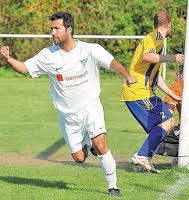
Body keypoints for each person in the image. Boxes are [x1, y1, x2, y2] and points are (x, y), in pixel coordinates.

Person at [0, 12, 137, 196]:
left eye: (57, 28)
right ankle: (87, 146)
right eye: (52, 29)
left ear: (69, 30)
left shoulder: (90, 49)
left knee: (101, 144)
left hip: (90, 106)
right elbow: (25, 68)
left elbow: (112, 62)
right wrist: (8, 59)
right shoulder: (48, 55)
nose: (52, 32)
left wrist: (127, 75)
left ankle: (113, 186)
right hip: (67, 116)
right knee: (79, 158)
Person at [121, 10, 184, 173]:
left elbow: (155, 77)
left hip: (144, 92)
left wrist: (173, 95)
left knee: (165, 124)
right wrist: (172, 58)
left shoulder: (158, 40)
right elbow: (146, 56)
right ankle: (142, 156)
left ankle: (142, 161)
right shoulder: (156, 37)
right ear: (169, 25)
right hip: (138, 92)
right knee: (166, 123)